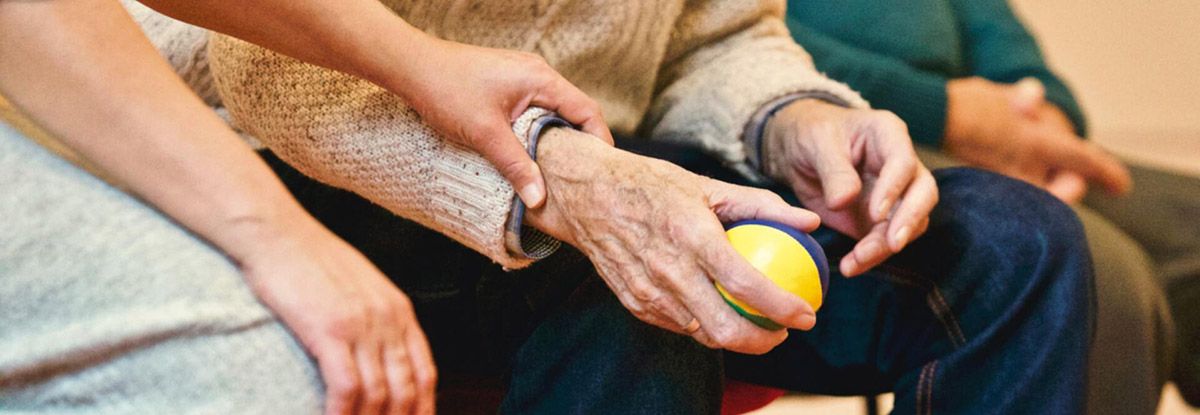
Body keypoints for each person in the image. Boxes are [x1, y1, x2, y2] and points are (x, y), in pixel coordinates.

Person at [1, 1, 1092, 414]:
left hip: (615, 163)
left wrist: (794, 118)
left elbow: (717, 33)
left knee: (1013, 245)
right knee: (631, 287)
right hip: (333, 179)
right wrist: (555, 176)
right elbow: (271, 72)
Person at [780, 0, 1197, 412]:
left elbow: (995, 28)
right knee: (1084, 264)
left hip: (993, 129)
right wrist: (947, 113)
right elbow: (748, 43)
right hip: (835, 131)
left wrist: (1046, 116)